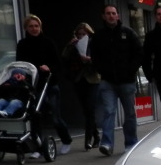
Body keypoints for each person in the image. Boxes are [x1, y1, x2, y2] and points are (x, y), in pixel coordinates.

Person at [90, 4, 142, 156]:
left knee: (130, 113)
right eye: (108, 13)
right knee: (108, 111)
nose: (111, 16)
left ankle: (131, 143)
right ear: (103, 16)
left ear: (118, 16)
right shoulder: (98, 36)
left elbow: (139, 53)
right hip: (108, 82)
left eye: (113, 13)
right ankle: (106, 143)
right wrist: (102, 70)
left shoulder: (128, 33)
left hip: (127, 81)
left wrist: (130, 70)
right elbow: (95, 57)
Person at [16, 14, 72, 154]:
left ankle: (66, 140)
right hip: (33, 85)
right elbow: (20, 63)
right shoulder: (22, 44)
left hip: (49, 83)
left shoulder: (48, 42)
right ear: (26, 28)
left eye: (36, 26)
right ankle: (38, 146)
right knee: (35, 115)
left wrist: (49, 68)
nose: (34, 29)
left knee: (55, 116)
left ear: (40, 27)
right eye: (31, 26)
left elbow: (58, 64)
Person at [63, 22, 100, 150]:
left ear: (89, 34)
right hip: (78, 80)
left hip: (92, 79)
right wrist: (70, 45)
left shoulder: (94, 43)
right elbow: (64, 58)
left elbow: (101, 61)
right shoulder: (73, 45)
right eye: (79, 34)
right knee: (86, 110)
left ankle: (88, 139)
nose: (81, 36)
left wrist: (89, 60)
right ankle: (96, 135)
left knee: (90, 108)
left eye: (84, 34)